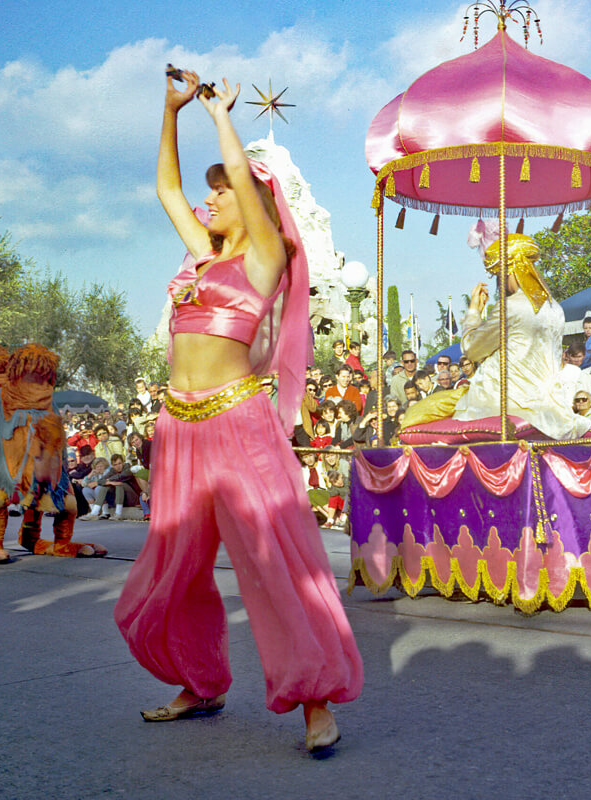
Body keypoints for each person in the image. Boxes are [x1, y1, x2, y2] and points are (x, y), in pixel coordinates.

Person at [113, 68, 361, 748]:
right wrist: (169, 110)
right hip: (179, 425)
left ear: (253, 199)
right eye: (213, 190)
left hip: (239, 422)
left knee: (274, 562)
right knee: (175, 564)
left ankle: (316, 702)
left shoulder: (266, 261)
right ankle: (200, 683)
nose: (210, 200)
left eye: (224, 191)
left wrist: (221, 117)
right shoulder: (202, 260)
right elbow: (165, 188)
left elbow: (247, 199)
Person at [451, 234, 591, 439]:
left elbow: (472, 350)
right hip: (548, 402)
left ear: (510, 270)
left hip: (504, 400)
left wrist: (474, 312)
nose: (500, 283)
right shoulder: (555, 308)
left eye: (500, 275)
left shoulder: (511, 307)